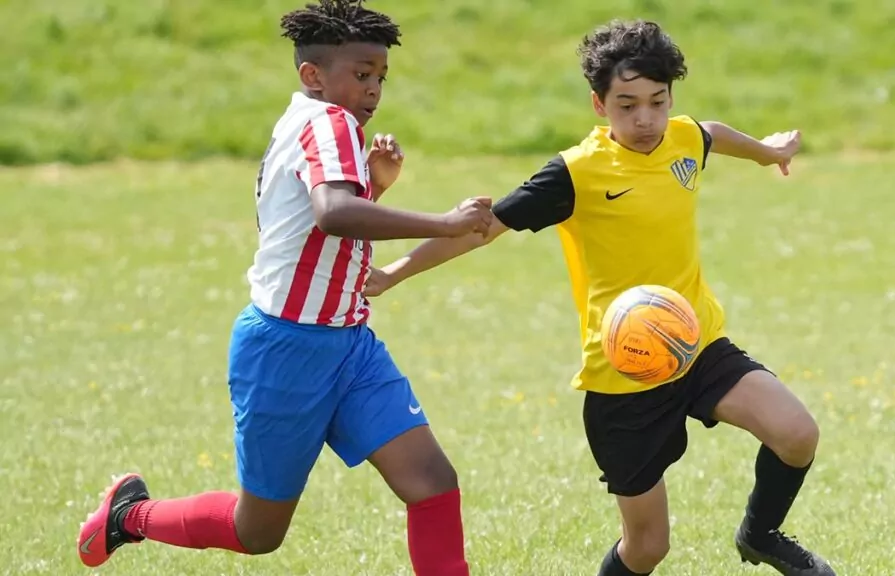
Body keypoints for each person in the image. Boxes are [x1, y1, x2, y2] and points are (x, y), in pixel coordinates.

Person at [366, 18, 836, 576]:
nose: (645, 119)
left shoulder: (683, 137)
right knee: (647, 548)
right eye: (627, 104)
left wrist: (768, 151)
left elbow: (711, 132)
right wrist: (393, 272)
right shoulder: (576, 172)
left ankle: (761, 535)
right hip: (625, 373)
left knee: (797, 434)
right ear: (599, 104)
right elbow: (483, 228)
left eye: (657, 102)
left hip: (695, 341)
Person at [75, 2, 489, 574]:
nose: (373, 91)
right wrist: (444, 222)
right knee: (257, 531)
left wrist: (373, 185)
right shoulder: (330, 122)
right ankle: (131, 515)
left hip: (349, 344)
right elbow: (332, 214)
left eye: (380, 78)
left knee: (432, 483)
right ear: (312, 75)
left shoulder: (306, 119)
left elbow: (318, 219)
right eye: (361, 75)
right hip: (286, 349)